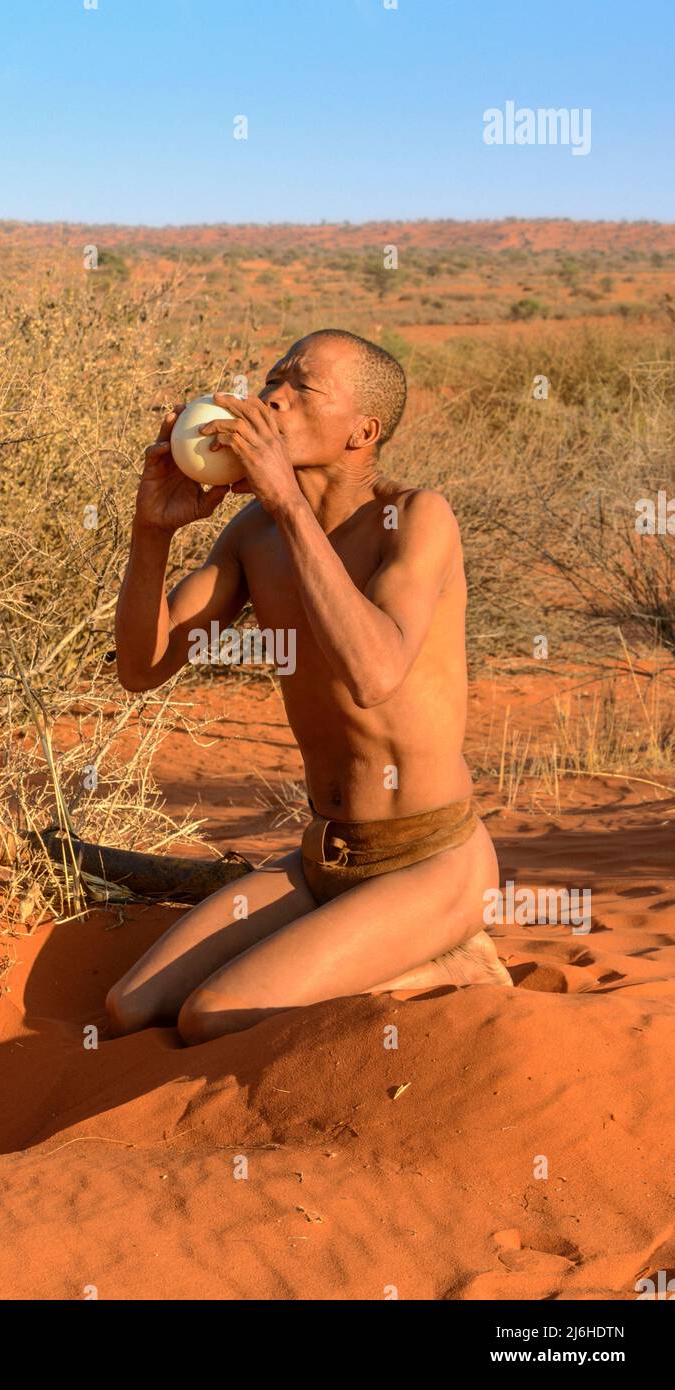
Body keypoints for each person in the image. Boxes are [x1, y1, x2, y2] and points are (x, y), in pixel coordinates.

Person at [109, 329, 511, 1044]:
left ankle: (459, 964)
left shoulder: (415, 518)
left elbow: (375, 674)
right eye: (272, 379)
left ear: (364, 431)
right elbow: (143, 669)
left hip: (431, 861)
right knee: (130, 1007)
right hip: (324, 855)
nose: (272, 397)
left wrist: (288, 504)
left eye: (302, 387)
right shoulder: (253, 536)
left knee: (210, 1016)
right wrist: (152, 532)